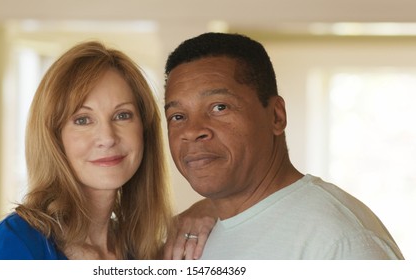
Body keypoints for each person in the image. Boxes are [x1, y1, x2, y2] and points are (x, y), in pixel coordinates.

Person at [163, 32, 404, 260]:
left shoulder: (340, 241)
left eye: (219, 107)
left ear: (277, 116)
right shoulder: (191, 240)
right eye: (177, 116)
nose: (192, 131)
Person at [0, 41, 212, 260]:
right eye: (83, 120)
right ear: (54, 137)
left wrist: (212, 206)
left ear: (144, 130)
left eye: (122, 115)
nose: (107, 138)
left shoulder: (140, 253)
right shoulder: (11, 246)